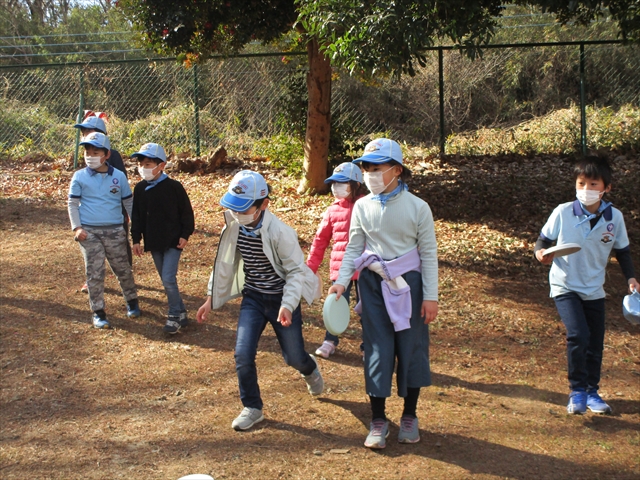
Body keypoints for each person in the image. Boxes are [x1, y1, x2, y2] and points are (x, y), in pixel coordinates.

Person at [328, 138, 438, 449]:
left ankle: (409, 415)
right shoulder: (362, 206)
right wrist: (341, 280)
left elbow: (428, 253)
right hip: (373, 285)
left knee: (411, 347)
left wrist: (431, 296)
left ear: (397, 170)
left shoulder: (418, 207)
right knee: (377, 348)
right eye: (366, 169)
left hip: (410, 287)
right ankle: (378, 420)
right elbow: (354, 246)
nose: (370, 174)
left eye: (377, 169)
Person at [196, 170, 324, 431]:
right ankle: (252, 407)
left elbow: (296, 271)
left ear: (264, 205)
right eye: (233, 208)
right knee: (242, 354)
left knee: (294, 358)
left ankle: (309, 369)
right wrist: (211, 297)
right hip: (253, 298)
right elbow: (224, 264)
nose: (237, 214)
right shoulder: (234, 226)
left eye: (243, 209)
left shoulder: (280, 232)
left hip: (282, 300)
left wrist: (288, 305)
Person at [535, 155, 638, 415]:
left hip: (594, 288)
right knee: (578, 335)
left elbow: (622, 251)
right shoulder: (562, 212)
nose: (586, 190)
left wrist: (631, 278)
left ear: (606, 188)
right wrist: (540, 255)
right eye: (581, 183)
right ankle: (577, 391)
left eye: (593, 184)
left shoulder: (614, 217)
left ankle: (592, 391)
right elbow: (542, 242)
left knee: (595, 342)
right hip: (565, 285)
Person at [67, 132, 141, 329]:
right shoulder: (79, 177)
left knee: (122, 268)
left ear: (107, 154)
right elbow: (72, 204)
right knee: (95, 272)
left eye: (95, 151)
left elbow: (128, 202)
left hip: (115, 231)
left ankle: (132, 300)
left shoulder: (118, 177)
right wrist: (77, 228)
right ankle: (98, 312)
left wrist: (136, 227)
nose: (90, 155)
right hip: (89, 233)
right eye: (87, 152)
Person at [130, 143, 195, 334]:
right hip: (154, 241)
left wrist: (185, 235)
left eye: (149, 164)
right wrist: (136, 239)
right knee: (166, 280)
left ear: (162, 165)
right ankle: (182, 312)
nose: (144, 168)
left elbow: (186, 214)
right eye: (141, 163)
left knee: (168, 278)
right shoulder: (140, 189)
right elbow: (137, 216)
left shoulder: (174, 187)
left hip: (174, 241)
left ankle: (174, 315)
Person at [306, 162, 366, 358]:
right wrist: (310, 268)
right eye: (333, 183)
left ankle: (369, 344)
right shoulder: (332, 210)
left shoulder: (367, 206)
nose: (335, 187)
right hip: (340, 270)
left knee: (368, 309)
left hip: (366, 268)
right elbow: (320, 240)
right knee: (335, 304)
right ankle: (330, 340)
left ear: (355, 184)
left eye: (341, 183)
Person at [73, 112, 132, 293]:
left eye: (88, 130)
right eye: (83, 131)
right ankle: (90, 280)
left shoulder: (112, 155)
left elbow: (121, 185)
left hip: (114, 211)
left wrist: (126, 212)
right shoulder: (87, 155)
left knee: (120, 244)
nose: (85, 134)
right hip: (91, 216)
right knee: (92, 249)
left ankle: (126, 273)